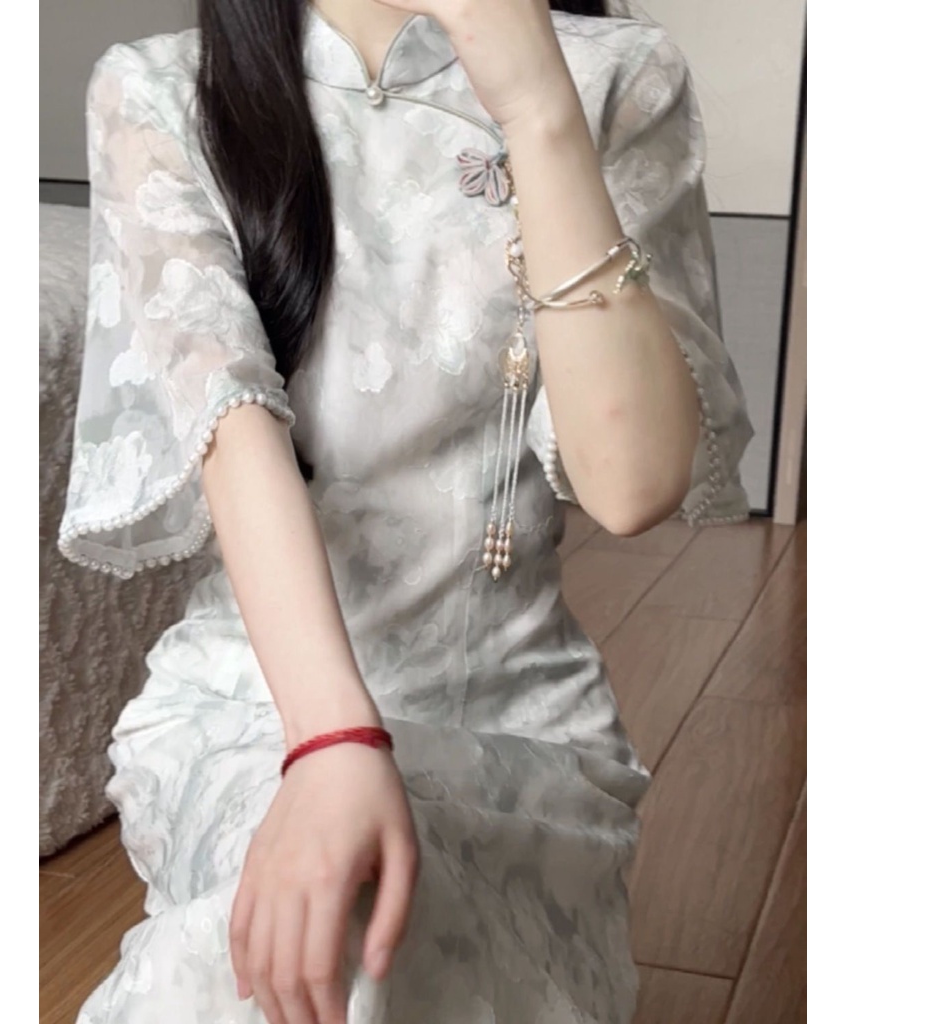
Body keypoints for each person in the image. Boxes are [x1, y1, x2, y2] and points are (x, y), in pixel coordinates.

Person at [58, 0, 753, 1021]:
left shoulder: (617, 74)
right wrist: (332, 741)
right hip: (255, 708)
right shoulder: (161, 87)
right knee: (318, 946)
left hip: (516, 723)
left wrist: (538, 108)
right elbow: (233, 431)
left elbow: (632, 482)